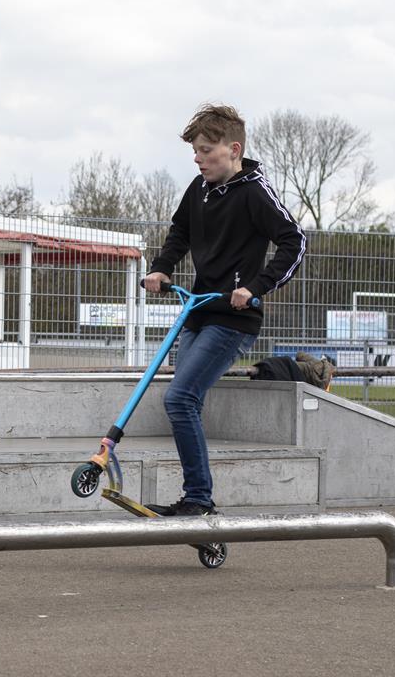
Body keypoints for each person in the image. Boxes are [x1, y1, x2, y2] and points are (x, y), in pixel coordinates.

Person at [143, 104, 305, 516]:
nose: (198, 159)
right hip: (198, 311)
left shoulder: (254, 191)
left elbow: (294, 241)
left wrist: (255, 287)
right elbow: (179, 232)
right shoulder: (198, 190)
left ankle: (198, 498)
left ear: (233, 149)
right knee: (184, 402)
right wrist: (161, 269)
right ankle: (196, 496)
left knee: (180, 400)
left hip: (233, 318)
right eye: (195, 153)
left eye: (205, 151)